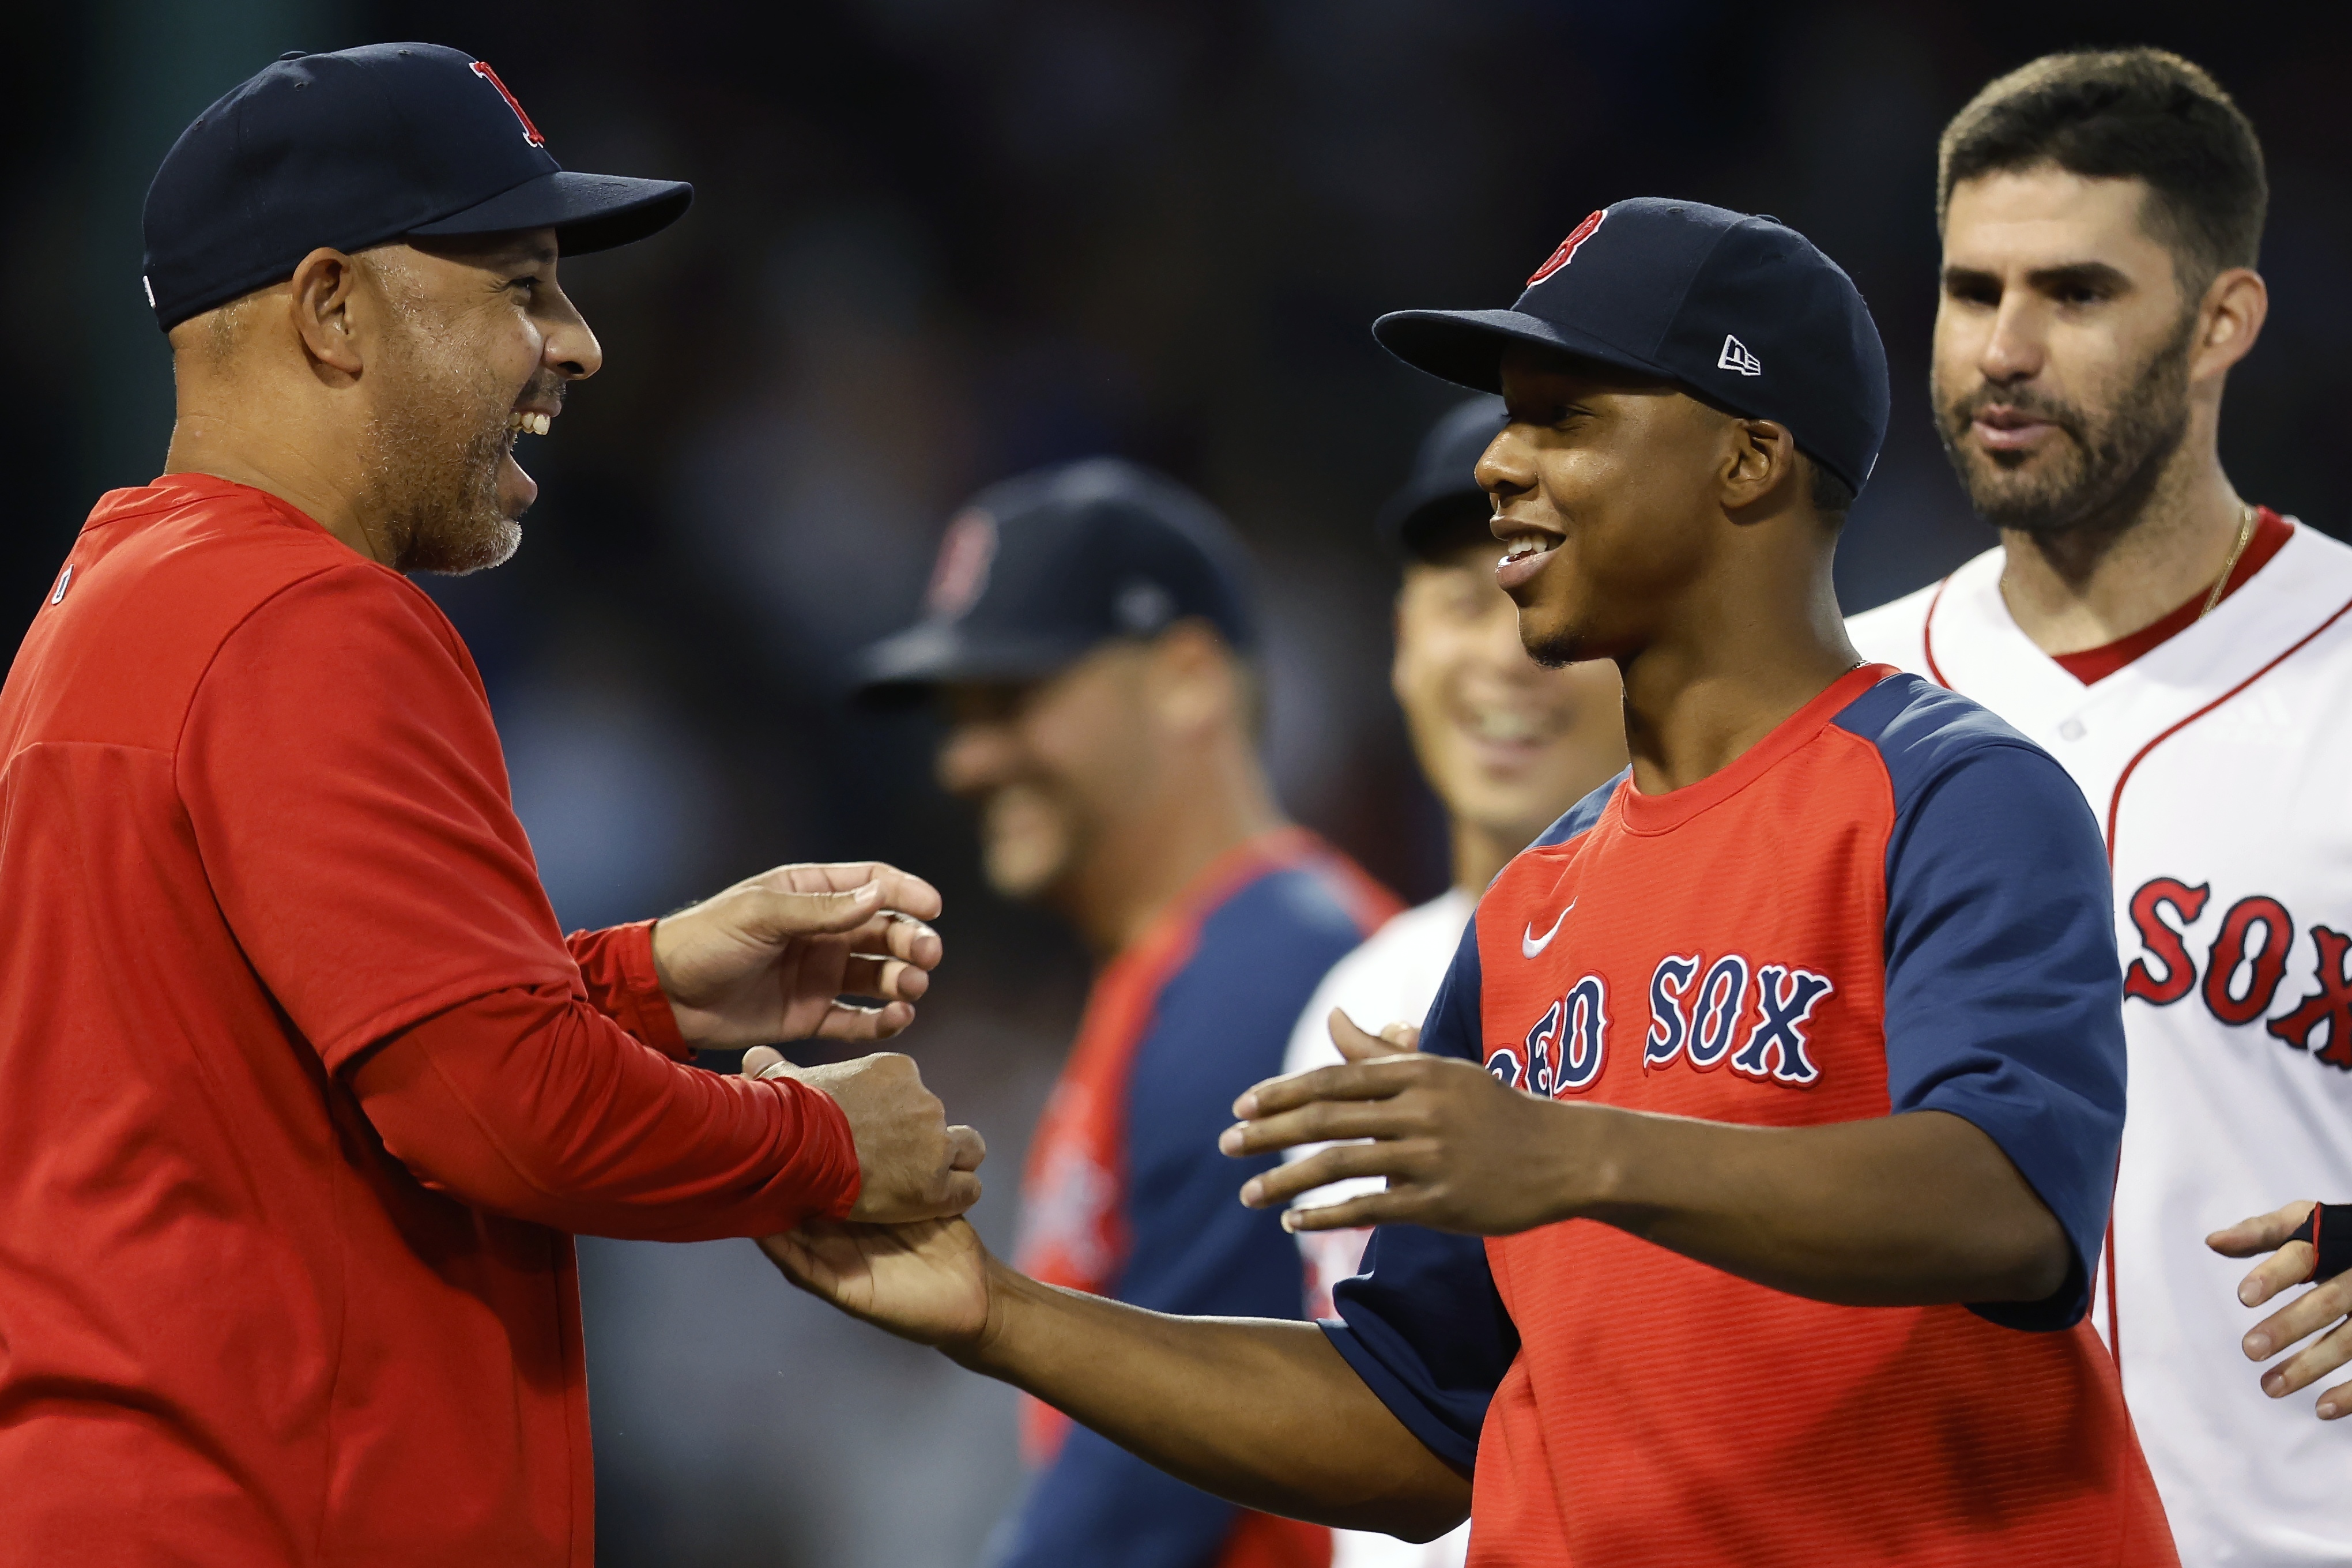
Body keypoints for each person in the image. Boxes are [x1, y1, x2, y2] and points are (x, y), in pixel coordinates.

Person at [767, 199, 2176, 1565]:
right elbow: (1415, 1419)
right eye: (1512, 414)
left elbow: (2008, 1199)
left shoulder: (1949, 791)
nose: (1502, 461)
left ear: (1749, 460)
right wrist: (997, 1314)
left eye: (1567, 416)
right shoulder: (1534, 903)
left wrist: (1574, 1152)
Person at [0, 44, 980, 1567]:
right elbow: (491, 1106)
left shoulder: (108, 602)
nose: (576, 344)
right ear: (332, 310)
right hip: (264, 1512)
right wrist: (821, 1144)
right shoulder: (304, 615)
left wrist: (647, 981)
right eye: (519, 285)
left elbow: (294, 1034)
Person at [1844, 48, 2352, 1562]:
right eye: (1971, 290)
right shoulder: (1840, 691)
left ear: (2221, 323)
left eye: (2074, 294)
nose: (2004, 348)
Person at [851, 458, 1399, 1568]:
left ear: (1189, 675)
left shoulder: (1273, 972)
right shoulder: (1192, 963)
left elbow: (1153, 1487)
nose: (966, 757)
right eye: (955, 716)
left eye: (1015, 700)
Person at [1276, 397, 1624, 1568]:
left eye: (1537, 597)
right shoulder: (1353, 986)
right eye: (1462, 601)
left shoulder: (1712, 961)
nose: (1502, 654)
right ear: (1399, 639)